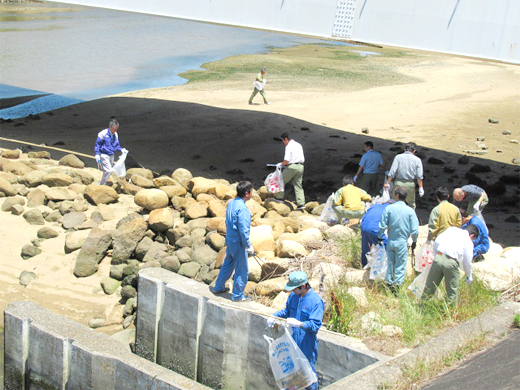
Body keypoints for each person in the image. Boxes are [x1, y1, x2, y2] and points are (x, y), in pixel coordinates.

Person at [269, 271, 324, 390]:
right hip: (292, 341)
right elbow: (287, 312)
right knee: (292, 373)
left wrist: (300, 324)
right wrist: (275, 316)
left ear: (303, 286)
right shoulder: (294, 296)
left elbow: (315, 324)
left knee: (307, 374)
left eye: (295, 289)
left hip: (306, 343)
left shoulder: (315, 301)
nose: (293, 291)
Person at [211, 181, 255, 302]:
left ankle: (218, 287)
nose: (252, 193)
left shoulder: (231, 203)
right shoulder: (243, 210)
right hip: (238, 242)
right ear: (247, 193)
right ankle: (238, 295)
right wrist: (248, 245)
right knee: (242, 269)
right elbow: (243, 230)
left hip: (230, 239)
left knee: (228, 263)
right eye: (251, 191)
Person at [422, 225, 479, 303]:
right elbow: (467, 261)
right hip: (451, 262)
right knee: (452, 291)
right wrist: (469, 276)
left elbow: (437, 241)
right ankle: (449, 311)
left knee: (430, 286)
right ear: (472, 236)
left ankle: (422, 306)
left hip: (438, 257)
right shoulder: (468, 241)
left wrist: (435, 255)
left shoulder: (451, 229)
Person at [378, 186, 419, 289]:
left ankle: (389, 284)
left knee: (390, 263)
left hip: (391, 240)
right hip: (402, 242)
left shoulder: (389, 208)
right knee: (400, 265)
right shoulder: (410, 211)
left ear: (396, 195)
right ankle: (396, 287)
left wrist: (380, 237)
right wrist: (414, 241)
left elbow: (382, 225)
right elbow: (415, 230)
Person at [384, 142, 424, 209]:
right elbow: (419, 176)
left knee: (395, 203)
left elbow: (392, 172)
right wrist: (421, 187)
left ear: (405, 150)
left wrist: (387, 183)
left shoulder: (398, 157)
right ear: (414, 151)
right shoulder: (417, 160)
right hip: (410, 184)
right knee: (411, 204)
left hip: (398, 183)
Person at [274, 132, 306, 209]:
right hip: (301, 167)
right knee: (298, 185)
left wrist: (281, 164)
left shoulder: (288, 146)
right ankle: (301, 203)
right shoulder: (299, 145)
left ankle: (279, 197)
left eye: (283, 141)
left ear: (286, 139)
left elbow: (287, 160)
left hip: (292, 167)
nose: (284, 143)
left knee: (281, 180)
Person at [360, 199, 395, 267]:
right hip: (375, 229)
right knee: (386, 245)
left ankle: (364, 265)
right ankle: (387, 267)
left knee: (365, 246)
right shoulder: (390, 209)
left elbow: (364, 217)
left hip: (363, 226)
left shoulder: (375, 206)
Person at [94, 119, 127, 185]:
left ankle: (103, 183)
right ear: (110, 127)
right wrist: (97, 154)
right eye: (114, 129)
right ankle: (102, 184)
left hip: (111, 155)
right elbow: (97, 144)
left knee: (107, 171)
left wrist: (121, 149)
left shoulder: (115, 134)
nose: (115, 130)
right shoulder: (102, 133)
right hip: (104, 155)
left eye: (117, 129)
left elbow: (116, 145)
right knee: (108, 170)